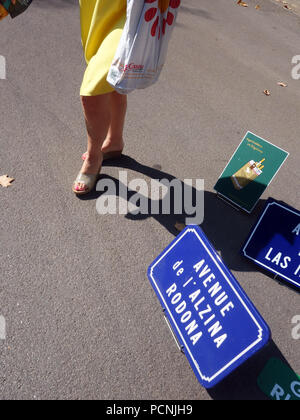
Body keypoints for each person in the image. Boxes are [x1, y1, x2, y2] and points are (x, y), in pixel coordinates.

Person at [73, 0, 128, 195]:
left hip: (132, 8)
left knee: (93, 88)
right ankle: (114, 141)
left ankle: (94, 158)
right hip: (95, 6)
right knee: (112, 76)